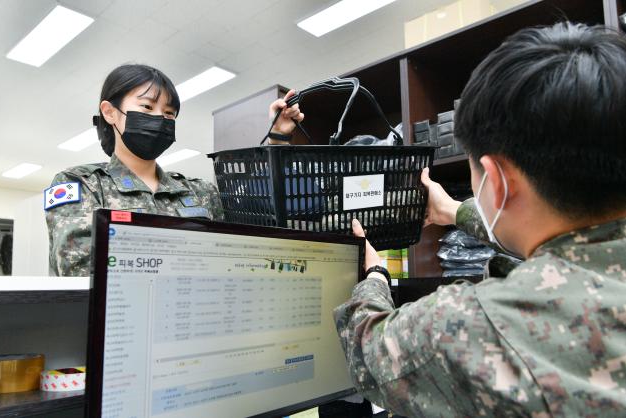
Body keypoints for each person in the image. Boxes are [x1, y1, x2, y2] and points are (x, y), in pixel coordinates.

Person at [334, 22, 626, 417]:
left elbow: (368, 351)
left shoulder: (481, 323)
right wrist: (452, 211)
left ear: (499, 180)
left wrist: (374, 277)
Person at [45, 64, 303, 276]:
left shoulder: (199, 190)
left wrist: (277, 137)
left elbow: (249, 241)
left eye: (169, 113)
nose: (160, 119)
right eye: (147, 107)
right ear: (110, 112)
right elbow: (80, 271)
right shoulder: (81, 184)